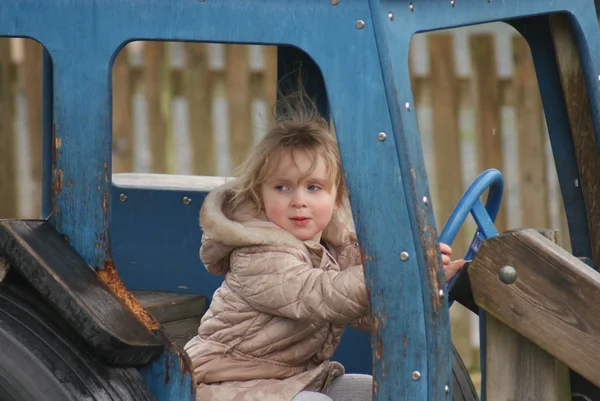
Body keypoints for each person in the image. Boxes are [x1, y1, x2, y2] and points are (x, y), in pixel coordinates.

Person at [184, 107, 465, 401]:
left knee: (376, 393)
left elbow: (368, 312)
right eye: (282, 187)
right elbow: (318, 294)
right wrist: (395, 271)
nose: (299, 201)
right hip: (223, 383)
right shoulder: (258, 253)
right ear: (260, 195)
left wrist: (422, 281)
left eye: (313, 187)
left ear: (336, 196)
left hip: (291, 380)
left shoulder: (333, 248)